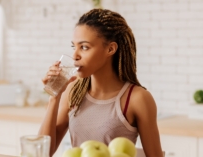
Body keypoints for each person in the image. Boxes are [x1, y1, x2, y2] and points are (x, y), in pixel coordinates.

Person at [39, 8, 163, 157]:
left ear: (110, 49)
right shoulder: (73, 90)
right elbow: (42, 153)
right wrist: (54, 96)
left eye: (84, 47)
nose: (75, 56)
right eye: (74, 47)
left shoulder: (137, 98)